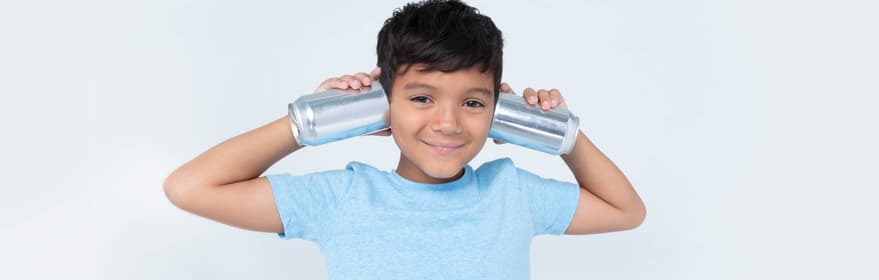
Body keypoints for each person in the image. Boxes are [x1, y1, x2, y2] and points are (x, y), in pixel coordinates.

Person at [164, 0, 646, 279]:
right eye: (421, 99)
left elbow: (626, 211)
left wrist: (556, 130)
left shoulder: (512, 193)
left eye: (473, 104)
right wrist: (313, 121)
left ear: (498, 110)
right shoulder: (342, 197)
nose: (448, 123)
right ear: (383, 104)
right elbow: (190, 187)